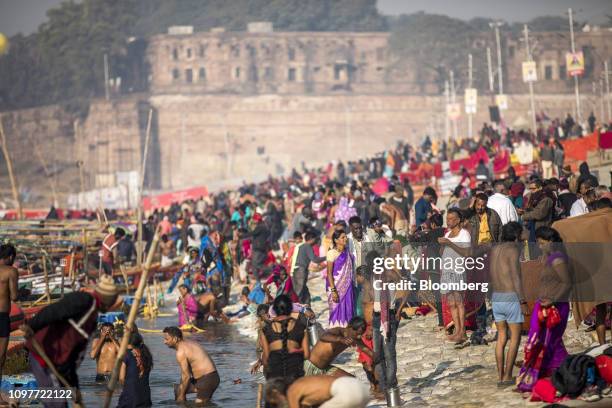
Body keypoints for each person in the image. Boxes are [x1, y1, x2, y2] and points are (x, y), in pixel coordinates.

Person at [20, 275, 119, 407]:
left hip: (58, 365)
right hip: (44, 357)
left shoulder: (93, 318)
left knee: (60, 403)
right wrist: (32, 326)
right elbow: (54, 311)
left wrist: (74, 386)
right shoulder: (83, 300)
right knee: (58, 404)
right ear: (108, 301)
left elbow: (74, 355)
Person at [517, 226, 571, 392]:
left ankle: (563, 377)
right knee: (539, 341)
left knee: (551, 342)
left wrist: (552, 301)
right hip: (543, 306)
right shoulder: (548, 258)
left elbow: (567, 283)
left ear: (551, 242)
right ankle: (541, 377)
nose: (540, 247)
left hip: (555, 307)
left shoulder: (557, 259)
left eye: (542, 243)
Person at [489, 222, 528, 387]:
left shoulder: (495, 250)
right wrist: (523, 300)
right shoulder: (513, 250)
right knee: (515, 338)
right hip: (511, 296)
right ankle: (507, 376)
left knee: (502, 338)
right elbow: (516, 277)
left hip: (496, 297)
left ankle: (500, 376)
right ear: (515, 235)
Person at [438, 209, 471, 344]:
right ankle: (457, 331)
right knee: (451, 303)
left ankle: (462, 332)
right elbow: (442, 253)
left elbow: (466, 253)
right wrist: (442, 245)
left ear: (458, 220)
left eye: (451, 219)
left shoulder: (464, 234)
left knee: (459, 302)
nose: (448, 221)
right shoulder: (448, 233)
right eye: (447, 218)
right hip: (446, 271)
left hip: (457, 270)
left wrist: (449, 243)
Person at [163, 326, 220, 404]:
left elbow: (186, 376)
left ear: (175, 339)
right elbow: (186, 374)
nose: (164, 342)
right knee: (178, 390)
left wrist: (181, 395)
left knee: (198, 405)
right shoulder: (189, 343)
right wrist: (181, 391)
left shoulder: (181, 352)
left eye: (166, 339)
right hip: (203, 379)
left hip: (208, 379)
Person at [260, 295, 309, 381]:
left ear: (274, 310)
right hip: (295, 374)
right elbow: (306, 355)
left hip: (274, 376)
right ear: (291, 309)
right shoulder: (301, 327)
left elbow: (266, 359)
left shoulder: (265, 329)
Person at [265, 376, 370, 408]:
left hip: (345, 390)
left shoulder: (292, 391)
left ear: (276, 393)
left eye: (275, 402)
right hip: (362, 389)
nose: (277, 406)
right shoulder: (302, 385)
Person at [326, 230, 355, 328]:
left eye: (345, 237)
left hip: (348, 287)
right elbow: (329, 273)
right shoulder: (332, 253)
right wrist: (333, 291)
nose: (345, 239)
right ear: (336, 240)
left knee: (348, 309)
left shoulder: (348, 252)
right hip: (335, 287)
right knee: (336, 311)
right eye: (342, 237)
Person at [118, 331, 153, 408]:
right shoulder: (147, 355)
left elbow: (121, 379)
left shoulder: (125, 355)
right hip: (146, 397)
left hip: (130, 399)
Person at [0, 244, 18, 393]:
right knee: (1, 357)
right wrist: (24, 291)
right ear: (11, 257)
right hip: (2, 316)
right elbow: (14, 296)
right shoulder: (11, 271)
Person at [292, 231, 326, 306]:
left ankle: (306, 306)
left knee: (303, 290)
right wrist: (326, 257)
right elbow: (315, 259)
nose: (316, 241)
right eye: (315, 239)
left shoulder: (302, 246)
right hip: (301, 270)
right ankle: (298, 308)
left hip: (296, 270)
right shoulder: (307, 246)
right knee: (299, 291)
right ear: (311, 239)